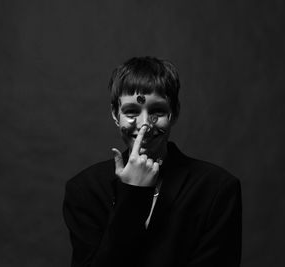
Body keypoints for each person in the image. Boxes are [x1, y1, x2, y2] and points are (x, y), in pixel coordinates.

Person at [63, 56, 242, 267]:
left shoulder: (216, 189)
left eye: (157, 111)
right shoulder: (85, 190)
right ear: (115, 114)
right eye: (131, 112)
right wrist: (133, 195)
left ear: (173, 113)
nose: (145, 125)